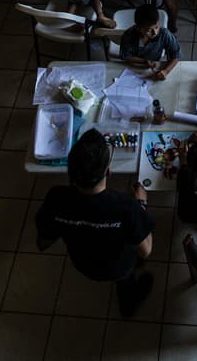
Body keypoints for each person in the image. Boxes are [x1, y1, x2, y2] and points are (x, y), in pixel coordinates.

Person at [35, 129, 155, 318]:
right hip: (118, 266)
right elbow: (146, 250)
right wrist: (141, 203)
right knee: (126, 281)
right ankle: (129, 304)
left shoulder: (56, 198)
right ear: (109, 171)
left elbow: (44, 240)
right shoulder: (125, 206)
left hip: (84, 263)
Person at [119, 3, 181, 80]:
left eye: (156, 27)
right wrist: (144, 61)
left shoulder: (164, 34)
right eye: (149, 30)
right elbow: (125, 55)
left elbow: (176, 54)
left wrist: (166, 71)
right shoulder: (129, 35)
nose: (155, 32)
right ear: (138, 28)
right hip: (133, 68)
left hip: (153, 68)